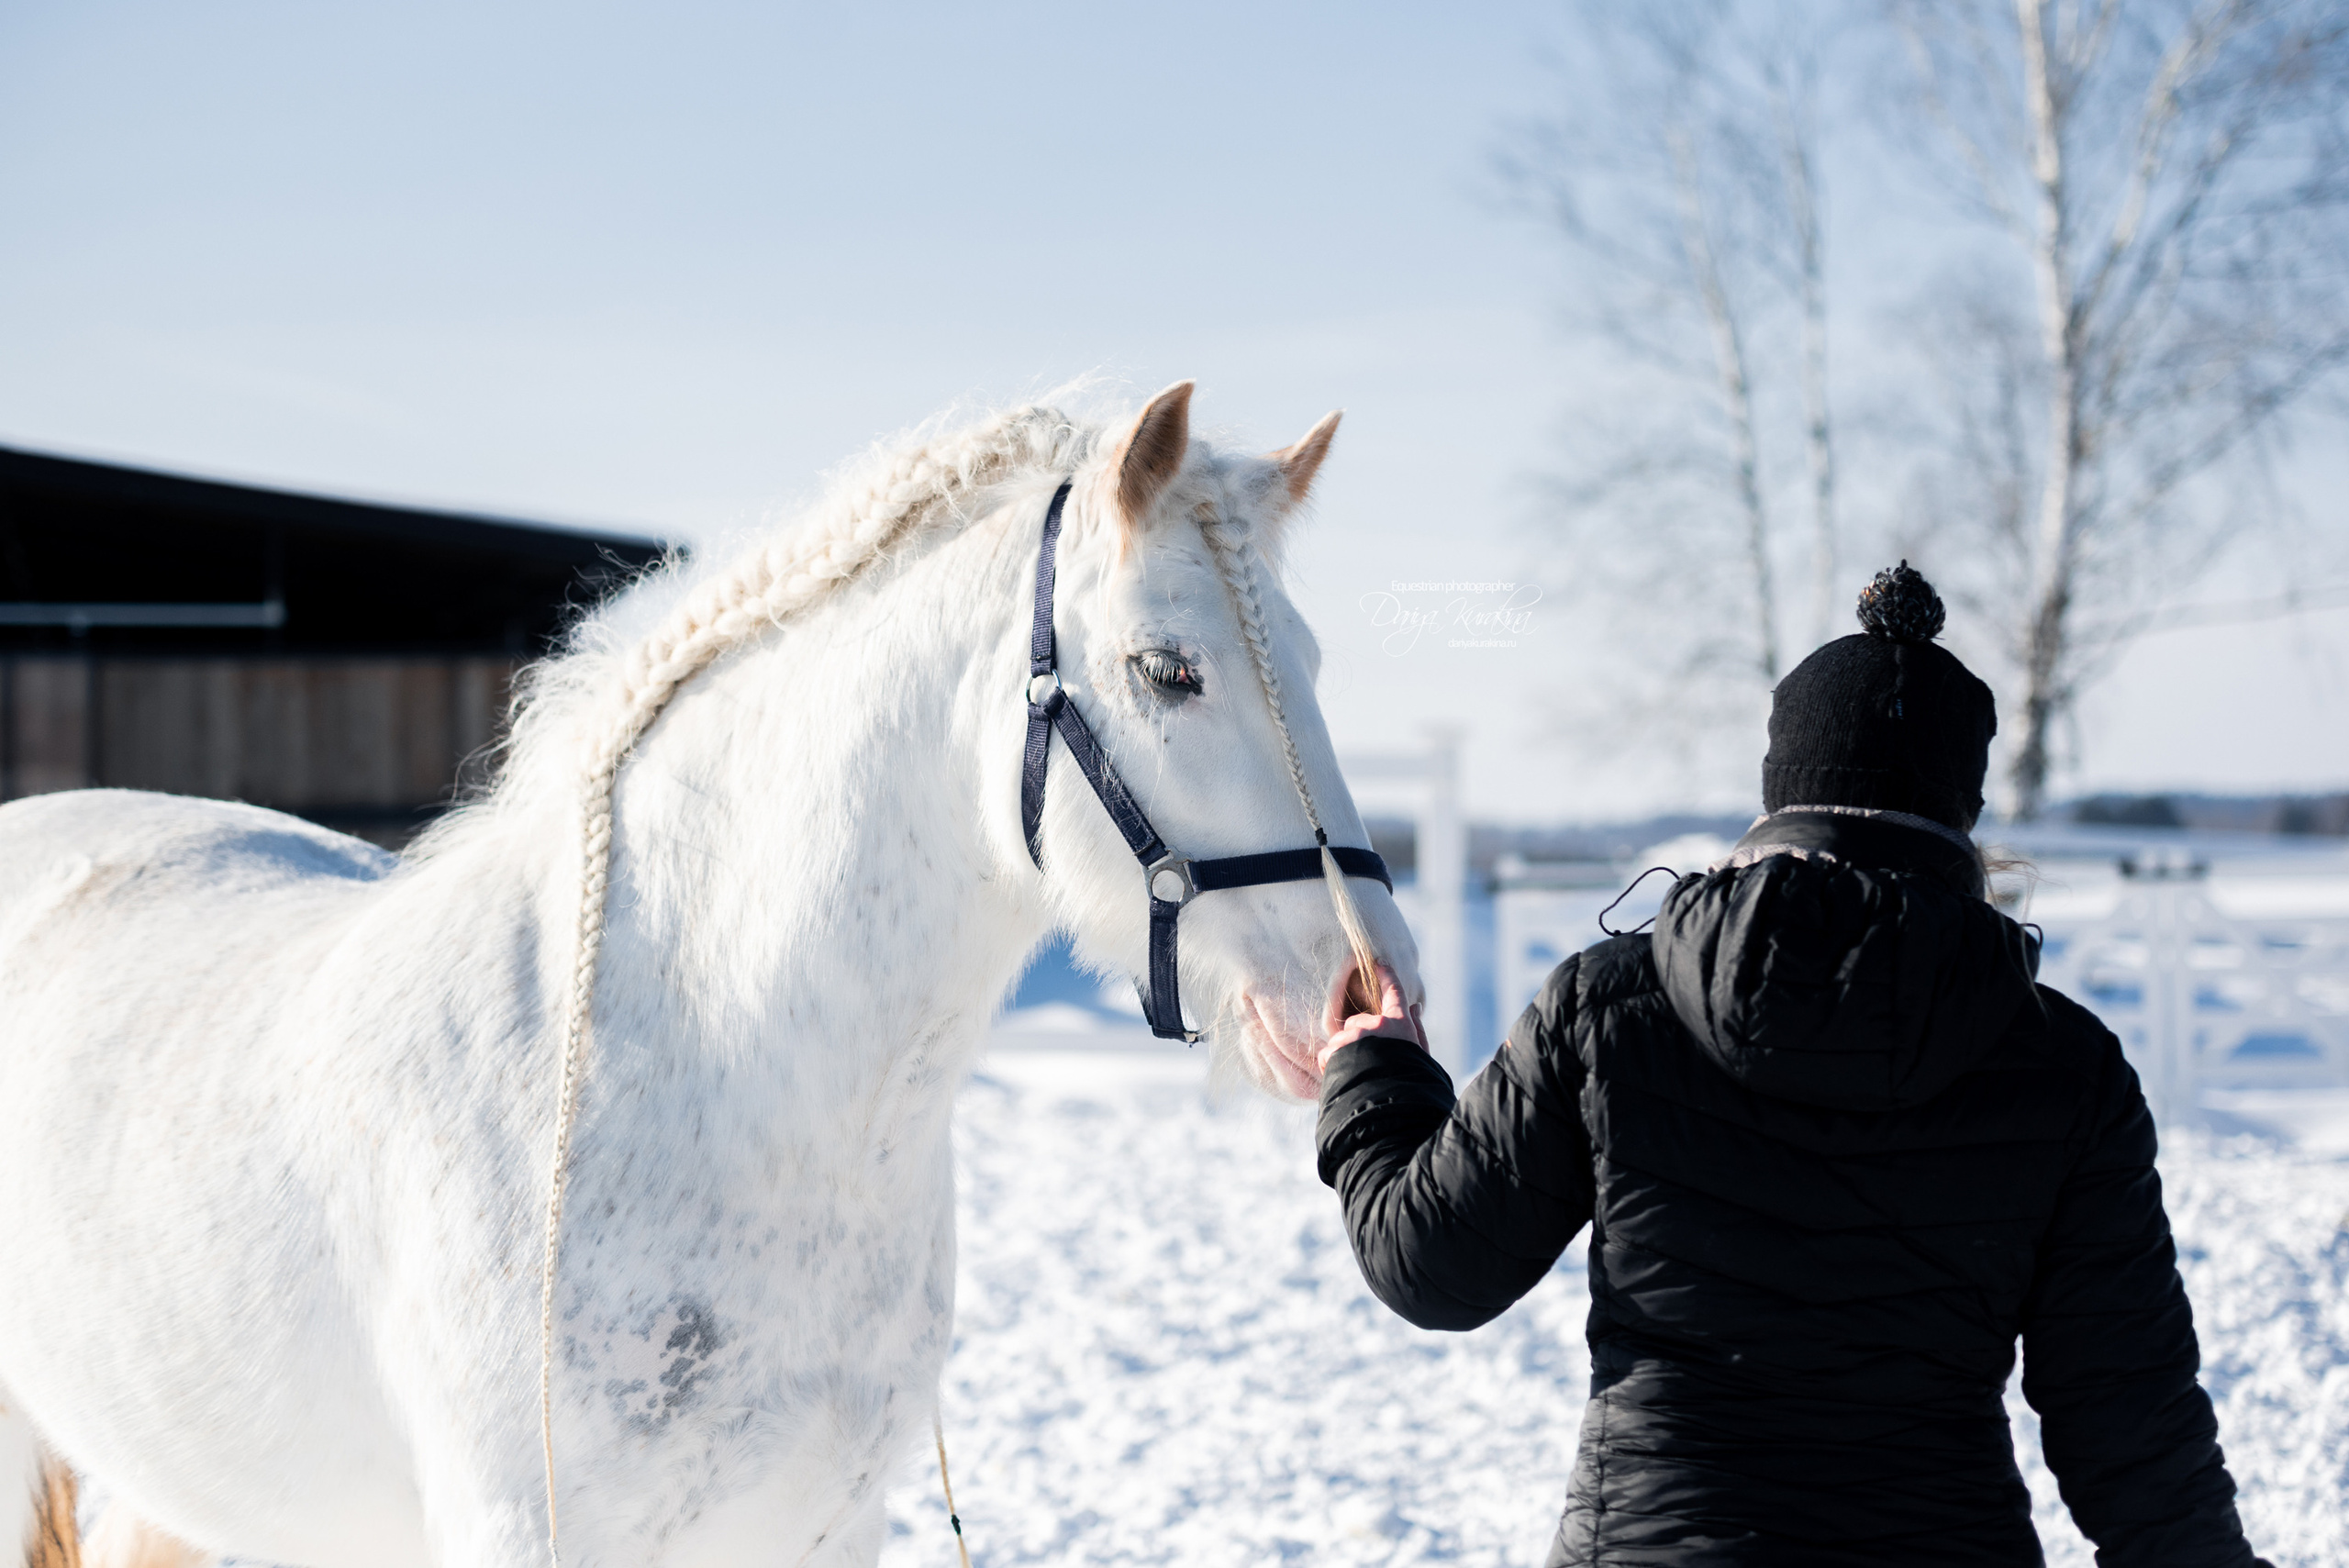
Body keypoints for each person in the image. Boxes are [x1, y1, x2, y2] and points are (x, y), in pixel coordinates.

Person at [1314, 565, 2267, 1567]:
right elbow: (2131, 1421)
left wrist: (1375, 1078)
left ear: (1779, 794)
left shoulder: (1607, 1007)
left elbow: (1431, 1267)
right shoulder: (2064, 1065)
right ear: (1961, 815)